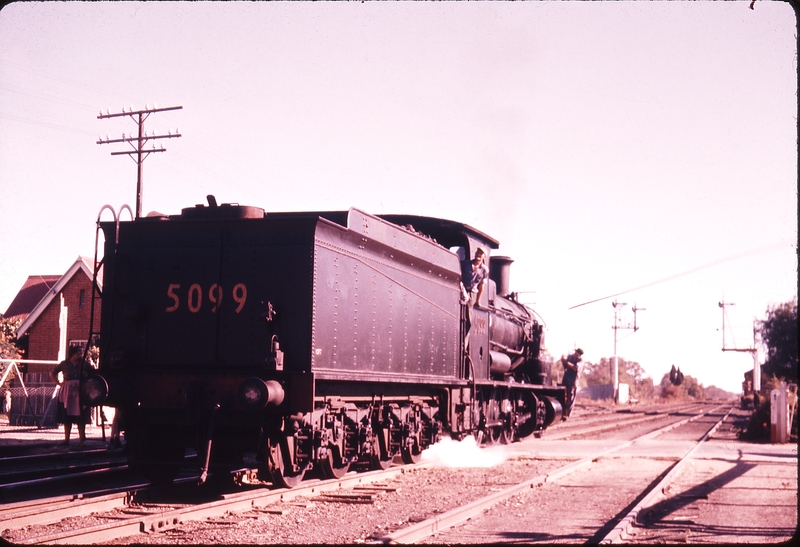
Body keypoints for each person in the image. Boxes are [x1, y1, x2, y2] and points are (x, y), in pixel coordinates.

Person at [50, 346, 90, 446]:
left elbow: (94, 372)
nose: (81, 354)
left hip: (81, 392)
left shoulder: (84, 363)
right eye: (79, 352)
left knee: (81, 416)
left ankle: (82, 440)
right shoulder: (65, 364)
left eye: (82, 352)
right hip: (68, 393)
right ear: (73, 353)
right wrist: (58, 383)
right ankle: (66, 440)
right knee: (67, 416)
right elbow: (52, 373)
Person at [559, 348, 583, 419]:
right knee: (562, 395)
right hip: (566, 378)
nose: (575, 355)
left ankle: (568, 414)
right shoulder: (570, 357)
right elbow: (565, 366)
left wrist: (566, 362)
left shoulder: (581, 361)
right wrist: (563, 361)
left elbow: (575, 368)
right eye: (575, 353)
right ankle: (562, 412)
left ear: (579, 355)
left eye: (577, 354)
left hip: (573, 381)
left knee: (570, 397)